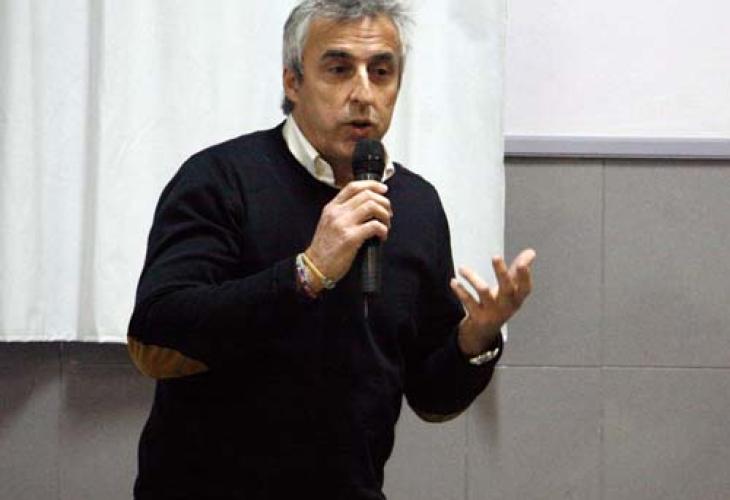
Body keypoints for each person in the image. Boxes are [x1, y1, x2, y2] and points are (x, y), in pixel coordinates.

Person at [127, 1, 536, 498]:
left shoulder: (417, 206)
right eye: (339, 69)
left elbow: (431, 396)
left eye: (381, 72)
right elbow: (156, 339)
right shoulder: (220, 179)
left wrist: (475, 339)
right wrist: (307, 272)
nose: (363, 94)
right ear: (293, 82)